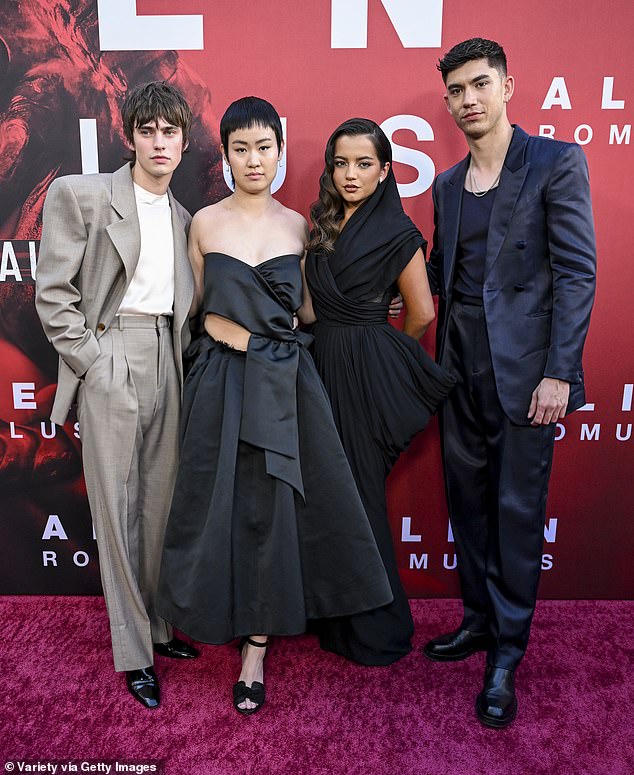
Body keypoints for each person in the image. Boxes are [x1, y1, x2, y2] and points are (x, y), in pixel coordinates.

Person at [157, 97, 393, 715]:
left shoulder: (299, 225)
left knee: (271, 509)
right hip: (221, 382)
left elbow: (309, 312)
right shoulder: (203, 223)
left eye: (265, 147)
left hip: (285, 384)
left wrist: (374, 309)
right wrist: (227, 334)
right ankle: (217, 612)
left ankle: (256, 648)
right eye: (241, 148)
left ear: (281, 153)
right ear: (227, 155)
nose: (253, 159)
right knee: (219, 505)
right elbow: (196, 308)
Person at [424, 38, 596, 728]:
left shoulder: (555, 162)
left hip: (526, 369)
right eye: (456, 90)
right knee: (467, 501)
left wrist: (560, 371)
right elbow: (441, 278)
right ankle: (476, 619)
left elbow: (578, 273)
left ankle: (508, 649)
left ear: (507, 86)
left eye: (479, 84)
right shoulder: (443, 185)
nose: (468, 99)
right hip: (457, 361)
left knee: (517, 509)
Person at [35, 82, 200, 711]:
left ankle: (158, 626)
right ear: (129, 136)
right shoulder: (85, 195)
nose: (160, 143)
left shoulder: (186, 219)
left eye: (170, 132)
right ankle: (134, 653)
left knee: (159, 508)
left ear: (184, 142)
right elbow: (53, 290)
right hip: (112, 356)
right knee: (117, 510)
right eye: (148, 130)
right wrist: (91, 361)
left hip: (169, 357)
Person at [304, 118, 455, 666]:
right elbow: (310, 309)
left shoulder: (396, 231)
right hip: (318, 365)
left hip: (364, 374)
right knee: (327, 494)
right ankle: (330, 617)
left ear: (386, 170)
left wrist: (379, 346)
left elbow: (421, 313)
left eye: (364, 164)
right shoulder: (318, 225)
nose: (350, 174)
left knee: (361, 496)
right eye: (340, 163)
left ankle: (376, 628)